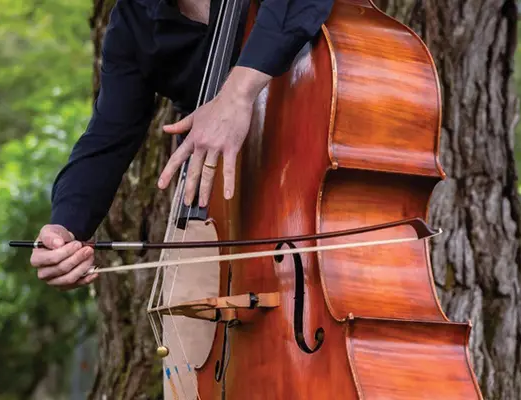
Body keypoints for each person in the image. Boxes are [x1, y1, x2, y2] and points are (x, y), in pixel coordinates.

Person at [28, 0, 334, 290]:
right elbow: (108, 136)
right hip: (228, 225)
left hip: (322, 216)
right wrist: (65, 227)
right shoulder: (136, 18)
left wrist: (237, 94)